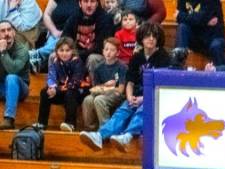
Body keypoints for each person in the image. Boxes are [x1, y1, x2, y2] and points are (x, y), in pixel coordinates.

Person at [79, 21, 168, 151]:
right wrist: (130, 96)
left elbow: (162, 86)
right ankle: (99, 135)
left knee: (143, 110)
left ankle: (127, 136)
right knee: (123, 111)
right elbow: (130, 82)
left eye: (154, 36)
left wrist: (144, 98)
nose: (151, 39)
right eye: (147, 35)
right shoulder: (136, 57)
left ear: (158, 39)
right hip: (136, 94)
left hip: (154, 95)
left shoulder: (164, 57)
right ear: (141, 38)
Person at [37, 36, 83, 131]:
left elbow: (74, 83)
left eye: (67, 50)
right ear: (57, 51)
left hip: (76, 92)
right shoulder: (55, 61)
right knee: (44, 92)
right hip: (60, 91)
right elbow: (51, 77)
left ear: (72, 51)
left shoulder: (77, 62)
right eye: (61, 50)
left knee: (70, 93)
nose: (64, 53)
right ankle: (42, 123)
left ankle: (70, 123)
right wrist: (52, 87)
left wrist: (56, 90)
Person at [81, 36, 125, 131]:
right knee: (88, 100)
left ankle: (105, 129)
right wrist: (105, 86)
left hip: (117, 94)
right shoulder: (98, 68)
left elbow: (121, 90)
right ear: (103, 51)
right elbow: (96, 87)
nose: (108, 52)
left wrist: (110, 87)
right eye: (106, 49)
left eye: (112, 50)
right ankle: (90, 129)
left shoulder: (122, 67)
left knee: (99, 100)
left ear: (118, 53)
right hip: (103, 92)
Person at [174, 0, 225, 66]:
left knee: (216, 46)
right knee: (182, 27)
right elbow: (179, 19)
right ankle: (177, 63)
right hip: (195, 37)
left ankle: (221, 70)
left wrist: (182, 16)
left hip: (212, 37)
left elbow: (202, 17)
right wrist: (204, 22)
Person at [0, 18, 29, 130]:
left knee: (11, 77)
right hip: (2, 87)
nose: (6, 33)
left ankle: (9, 119)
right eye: (2, 31)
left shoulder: (22, 50)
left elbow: (13, 70)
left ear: (14, 32)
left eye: (9, 30)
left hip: (20, 89)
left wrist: (3, 52)